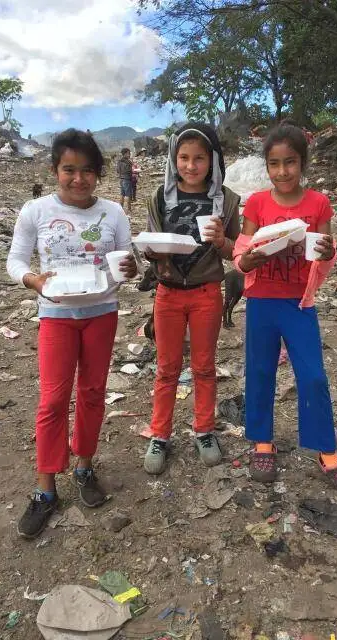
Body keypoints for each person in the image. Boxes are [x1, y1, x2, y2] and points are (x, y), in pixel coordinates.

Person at [6, 128, 137, 538]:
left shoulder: (113, 213)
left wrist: (130, 269)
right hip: (56, 314)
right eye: (68, 170)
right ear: (54, 170)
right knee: (53, 399)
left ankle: (84, 466)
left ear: (99, 173)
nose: (78, 179)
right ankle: (45, 488)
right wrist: (34, 280)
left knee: (93, 392)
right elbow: (14, 260)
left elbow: (126, 259)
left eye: (87, 171)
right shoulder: (35, 211)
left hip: (102, 312)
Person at [233, 124, 337, 497]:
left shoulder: (318, 204)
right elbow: (241, 252)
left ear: (303, 163)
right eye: (274, 164)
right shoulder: (257, 203)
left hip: (299, 303)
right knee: (259, 372)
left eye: (290, 162)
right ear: (267, 167)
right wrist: (248, 260)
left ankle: (327, 452)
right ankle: (262, 442)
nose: (282, 171)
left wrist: (329, 252)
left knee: (313, 377)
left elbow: (327, 253)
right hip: (262, 303)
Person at [143, 122, 240, 475]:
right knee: (166, 368)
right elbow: (150, 248)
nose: (191, 165)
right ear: (174, 158)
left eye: (200, 158)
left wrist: (220, 242)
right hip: (168, 294)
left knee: (203, 366)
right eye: (183, 157)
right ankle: (160, 434)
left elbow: (236, 253)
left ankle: (204, 430)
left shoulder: (226, 201)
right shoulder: (158, 197)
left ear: (213, 160)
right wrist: (153, 253)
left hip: (206, 294)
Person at [118, 147, 133, 214]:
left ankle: (120, 208)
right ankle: (128, 210)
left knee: (122, 194)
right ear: (125, 153)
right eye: (128, 153)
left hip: (121, 179)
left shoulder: (119, 161)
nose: (129, 155)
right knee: (128, 195)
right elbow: (129, 171)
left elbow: (118, 171)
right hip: (127, 179)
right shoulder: (128, 162)